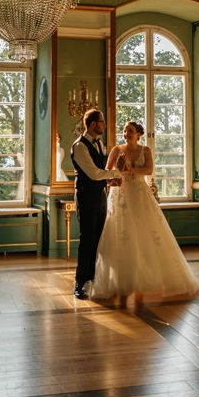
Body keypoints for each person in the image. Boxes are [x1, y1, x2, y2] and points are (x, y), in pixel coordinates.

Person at [90, 121, 199, 301]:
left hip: (140, 195)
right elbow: (107, 172)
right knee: (122, 235)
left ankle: (145, 280)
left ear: (139, 134)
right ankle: (121, 282)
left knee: (144, 236)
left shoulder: (145, 150)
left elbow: (149, 170)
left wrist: (130, 169)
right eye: (124, 131)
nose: (126, 134)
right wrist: (119, 170)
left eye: (130, 131)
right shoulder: (117, 150)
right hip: (120, 196)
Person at [70, 109, 123, 299]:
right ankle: (79, 283)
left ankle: (93, 279)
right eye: (102, 122)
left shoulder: (99, 143)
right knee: (87, 240)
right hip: (85, 197)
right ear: (92, 124)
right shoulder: (79, 146)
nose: (104, 125)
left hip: (100, 196)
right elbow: (93, 174)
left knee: (99, 240)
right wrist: (117, 173)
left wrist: (110, 181)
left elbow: (101, 173)